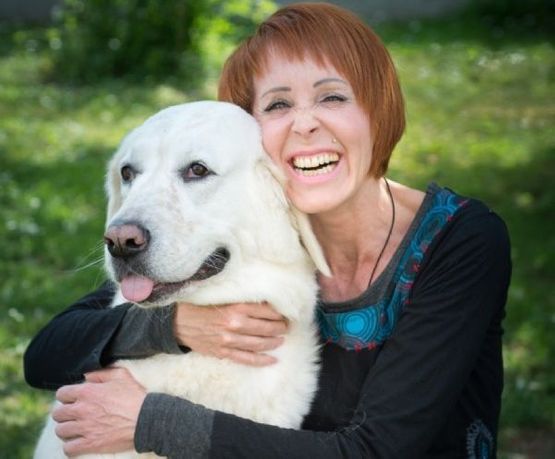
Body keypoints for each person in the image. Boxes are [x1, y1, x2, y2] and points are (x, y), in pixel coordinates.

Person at [24, 3, 511, 458]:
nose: (304, 124)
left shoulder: (462, 240)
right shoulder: (261, 235)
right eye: (278, 105)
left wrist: (149, 421)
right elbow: (48, 354)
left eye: (332, 96)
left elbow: (379, 449)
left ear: (378, 110)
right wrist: (172, 326)